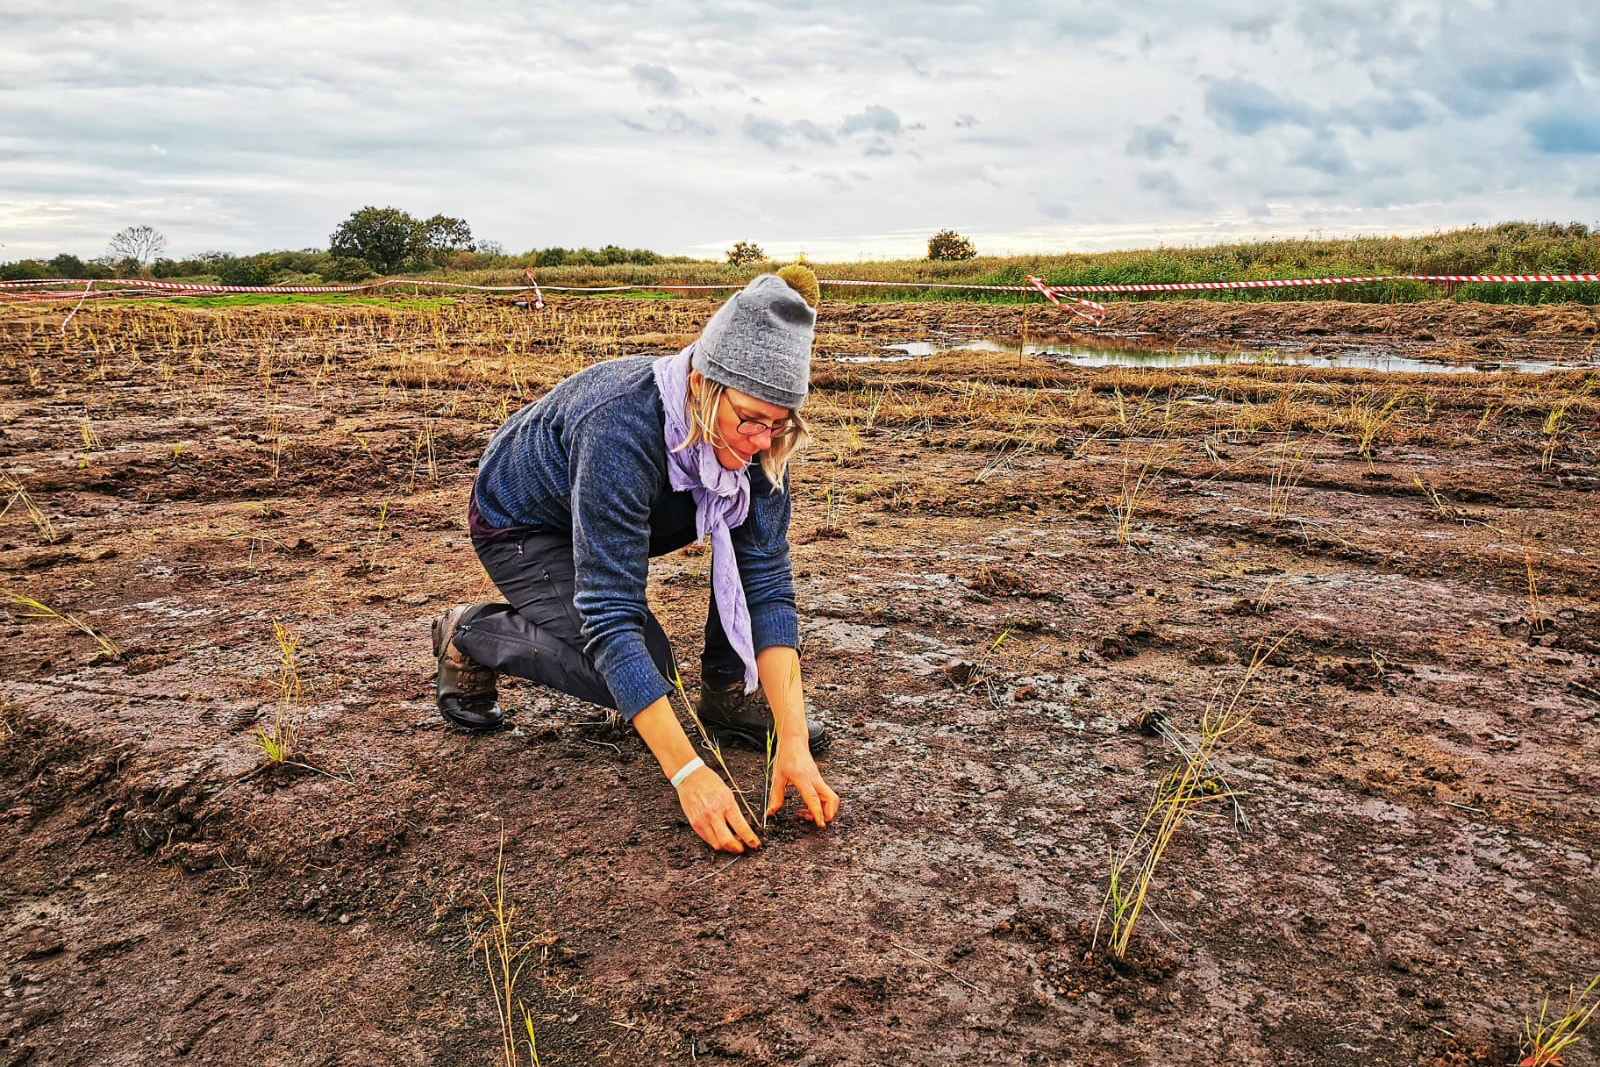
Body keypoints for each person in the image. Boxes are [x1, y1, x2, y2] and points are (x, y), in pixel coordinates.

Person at [430, 267, 841, 854]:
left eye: (778, 426)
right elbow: (609, 611)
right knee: (640, 660)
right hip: (526, 522)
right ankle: (469, 634)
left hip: (637, 504)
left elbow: (767, 585)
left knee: (741, 558)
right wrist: (688, 774)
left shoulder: (759, 441)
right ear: (702, 385)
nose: (759, 441)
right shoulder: (619, 426)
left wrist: (793, 743)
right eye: (749, 418)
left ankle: (727, 697)